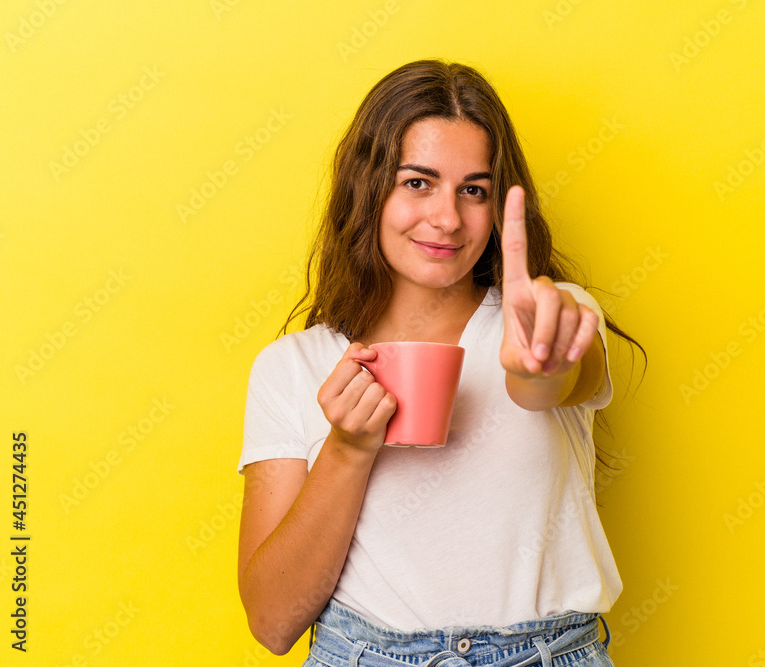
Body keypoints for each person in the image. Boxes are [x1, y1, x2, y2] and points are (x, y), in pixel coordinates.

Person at [237, 59, 642, 667]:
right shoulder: (291, 366)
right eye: (417, 183)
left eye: (473, 190)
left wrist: (539, 366)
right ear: (368, 189)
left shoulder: (552, 315)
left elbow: (550, 380)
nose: (448, 219)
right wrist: (347, 449)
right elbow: (273, 623)